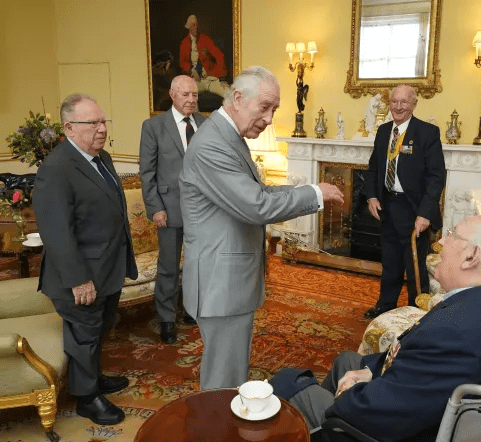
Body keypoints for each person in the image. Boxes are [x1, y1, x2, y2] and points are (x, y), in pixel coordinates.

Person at [270, 215, 481, 441]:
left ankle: (322, 429)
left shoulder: (454, 333)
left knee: (289, 383)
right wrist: (370, 371)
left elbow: (378, 414)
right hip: (423, 405)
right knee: (348, 362)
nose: (441, 241)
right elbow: (420, 371)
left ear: (470, 256)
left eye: (452, 234)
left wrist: (349, 396)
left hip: (396, 430)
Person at [179, 66, 344, 390]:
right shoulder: (214, 144)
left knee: (231, 371)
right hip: (219, 283)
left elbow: (261, 193)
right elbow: (257, 206)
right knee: (222, 381)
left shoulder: (228, 136)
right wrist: (313, 194)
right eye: (265, 107)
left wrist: (312, 191)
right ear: (238, 98)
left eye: (275, 110)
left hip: (228, 281)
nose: (269, 119)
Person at [33, 94, 138, 425]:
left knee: (100, 329)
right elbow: (57, 232)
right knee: (84, 333)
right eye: (92, 123)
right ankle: (87, 398)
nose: (101, 129)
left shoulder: (101, 157)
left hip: (107, 269)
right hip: (80, 275)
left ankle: (93, 378)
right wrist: (78, 278)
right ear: (68, 128)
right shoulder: (57, 168)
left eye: (103, 122)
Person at [363, 84, 446, 319]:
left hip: (414, 210)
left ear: (414, 104)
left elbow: (436, 177)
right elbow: (372, 168)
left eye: (404, 102)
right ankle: (385, 306)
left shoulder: (427, 133)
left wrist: (426, 213)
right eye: (394, 102)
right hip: (387, 207)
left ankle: (417, 311)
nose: (398, 107)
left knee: (415, 264)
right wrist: (371, 196)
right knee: (390, 262)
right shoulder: (383, 131)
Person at [139, 75, 206, 344]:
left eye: (195, 95)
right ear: (172, 95)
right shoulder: (154, 126)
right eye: (186, 95)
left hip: (202, 210)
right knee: (168, 267)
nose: (191, 100)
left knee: (196, 264)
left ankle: (191, 309)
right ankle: (167, 319)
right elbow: (147, 172)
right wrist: (155, 207)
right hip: (169, 208)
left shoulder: (205, 123)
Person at [179, 14, 228, 98]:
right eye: (193, 25)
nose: (196, 27)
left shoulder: (205, 39)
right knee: (188, 97)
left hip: (210, 78)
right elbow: (182, 62)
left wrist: (222, 79)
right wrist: (192, 71)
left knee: (229, 93)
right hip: (195, 81)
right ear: (189, 27)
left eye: (197, 24)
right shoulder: (184, 43)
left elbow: (220, 56)